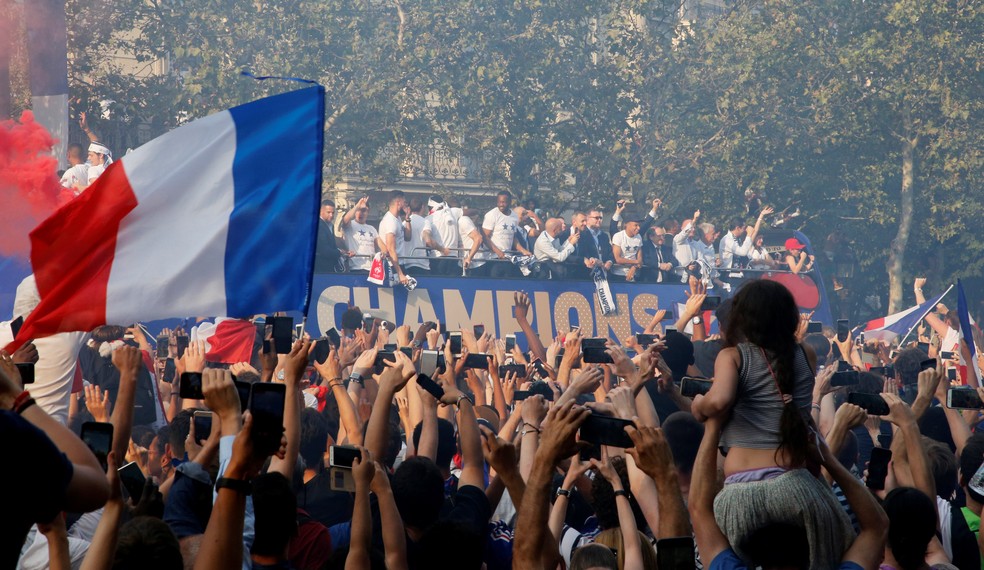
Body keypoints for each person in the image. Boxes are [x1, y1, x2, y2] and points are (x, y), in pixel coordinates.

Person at [691, 279, 855, 568]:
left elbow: (719, 401)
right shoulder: (806, 353)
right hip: (799, 487)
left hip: (742, 496)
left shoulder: (733, 355)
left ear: (742, 318)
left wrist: (698, 405)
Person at [482, 190, 531, 278]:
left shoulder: (514, 216)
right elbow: (485, 237)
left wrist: (523, 250)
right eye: (499, 202)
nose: (501, 204)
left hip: (508, 258)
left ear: (509, 202)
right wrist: (498, 252)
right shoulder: (492, 215)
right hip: (493, 258)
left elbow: (514, 238)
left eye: (504, 202)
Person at [378, 190, 413, 285]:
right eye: (404, 202)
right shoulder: (390, 221)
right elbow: (391, 249)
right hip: (392, 266)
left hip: (400, 263)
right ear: (399, 202)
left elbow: (408, 237)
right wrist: (400, 274)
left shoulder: (397, 219)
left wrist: (407, 218)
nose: (406, 205)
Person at [338, 195, 378, 273]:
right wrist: (357, 205)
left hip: (372, 269)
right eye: (358, 210)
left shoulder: (372, 228)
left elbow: (382, 246)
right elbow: (345, 220)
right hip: (356, 268)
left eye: (364, 210)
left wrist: (383, 253)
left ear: (368, 211)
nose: (361, 213)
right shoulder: (350, 225)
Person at [426, 194, 463, 276]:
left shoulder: (428, 219)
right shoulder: (453, 212)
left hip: (437, 257)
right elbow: (472, 211)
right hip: (454, 257)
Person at [404, 197, 439, 276]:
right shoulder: (425, 222)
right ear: (422, 207)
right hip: (421, 263)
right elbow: (428, 241)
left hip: (406, 262)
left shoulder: (404, 223)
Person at [314, 198, 347, 273]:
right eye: (328, 212)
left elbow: (332, 246)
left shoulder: (331, 225)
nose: (331, 215)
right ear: (321, 211)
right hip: (320, 268)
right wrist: (339, 253)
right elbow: (323, 249)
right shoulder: (319, 225)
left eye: (333, 212)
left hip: (330, 267)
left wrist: (344, 252)